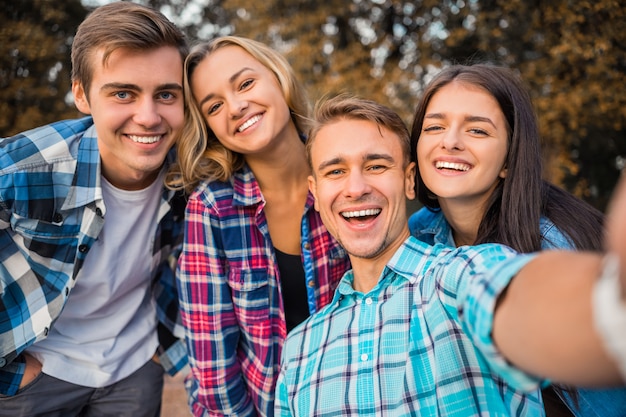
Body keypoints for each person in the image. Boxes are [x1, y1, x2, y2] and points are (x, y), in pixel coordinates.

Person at [275, 94, 626, 416]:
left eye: (376, 166)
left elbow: (516, 299)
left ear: (409, 180)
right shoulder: (299, 351)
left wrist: (610, 311)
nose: (355, 188)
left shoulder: (462, 274)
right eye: (335, 171)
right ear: (315, 193)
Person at [0, 2, 188, 416]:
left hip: (134, 370)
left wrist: (159, 351)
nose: (148, 117)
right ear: (82, 94)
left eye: (166, 94)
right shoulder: (20, 170)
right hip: (33, 376)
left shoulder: (190, 173)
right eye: (123, 93)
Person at [408, 63, 626, 416]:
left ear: (508, 160)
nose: (450, 141)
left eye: (477, 130)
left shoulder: (551, 241)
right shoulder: (420, 235)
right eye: (435, 127)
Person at [167, 36, 350, 416]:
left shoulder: (345, 175)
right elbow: (214, 368)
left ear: (278, 78)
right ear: (209, 126)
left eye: (246, 83)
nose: (235, 107)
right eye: (214, 106)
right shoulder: (212, 209)